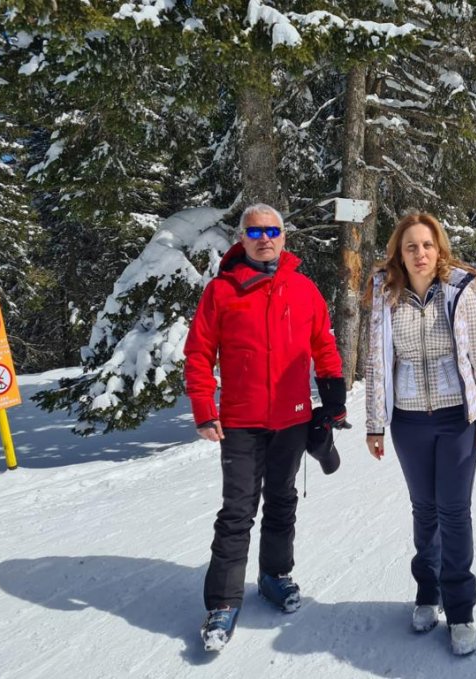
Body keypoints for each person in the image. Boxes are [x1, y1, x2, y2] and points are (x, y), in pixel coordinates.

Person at [184, 203, 347, 652]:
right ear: (243, 237)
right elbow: (199, 353)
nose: (264, 238)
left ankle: (275, 576)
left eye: (272, 230)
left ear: (284, 237)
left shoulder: (304, 289)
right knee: (236, 512)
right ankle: (222, 603)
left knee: (282, 502)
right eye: (255, 231)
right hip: (240, 422)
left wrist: (333, 396)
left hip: (292, 419)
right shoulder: (221, 291)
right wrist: (204, 406)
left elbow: (324, 344)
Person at [364, 212, 476, 657]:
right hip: (408, 420)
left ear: (439, 248)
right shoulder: (387, 295)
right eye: (410, 247)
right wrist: (375, 423)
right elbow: (377, 364)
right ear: (398, 254)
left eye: (427, 245)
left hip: (456, 418)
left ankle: (460, 609)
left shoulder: (459, 292)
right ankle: (428, 592)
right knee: (424, 510)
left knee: (454, 512)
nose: (420, 254)